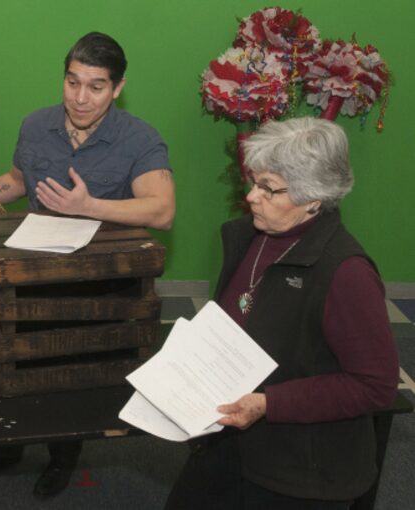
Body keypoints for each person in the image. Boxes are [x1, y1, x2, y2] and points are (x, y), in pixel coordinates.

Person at [0, 32, 175, 498]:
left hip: (96, 284)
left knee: (68, 373)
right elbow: (17, 180)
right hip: (26, 272)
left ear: (117, 88)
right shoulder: (36, 125)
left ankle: (63, 456)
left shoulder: (140, 138)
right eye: (72, 82)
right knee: (8, 359)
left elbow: (161, 210)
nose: (80, 98)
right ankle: (6, 446)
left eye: (95, 87)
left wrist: (89, 206)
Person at [164, 117, 399, 509]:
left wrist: (269, 403)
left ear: (313, 199)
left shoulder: (346, 273)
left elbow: (376, 385)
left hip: (301, 469)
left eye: (268, 189)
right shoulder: (249, 236)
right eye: (253, 181)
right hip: (229, 443)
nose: (252, 197)